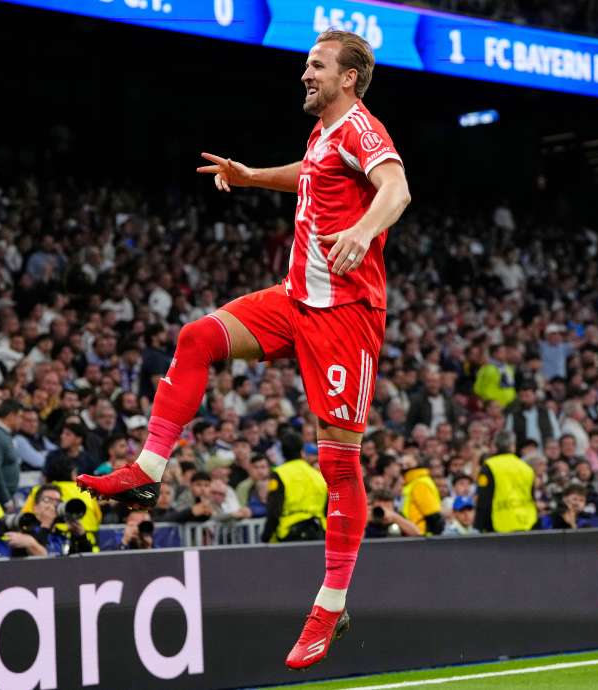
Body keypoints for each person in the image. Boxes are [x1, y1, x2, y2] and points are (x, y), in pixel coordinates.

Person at [78, 29, 410, 669]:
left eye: (317, 66)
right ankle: (148, 473)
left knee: (338, 467)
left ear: (348, 79)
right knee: (198, 335)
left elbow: (395, 191)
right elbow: (313, 180)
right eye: (307, 63)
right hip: (295, 300)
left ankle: (331, 604)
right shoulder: (323, 135)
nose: (305, 74)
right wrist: (252, 175)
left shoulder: (365, 130)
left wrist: (365, 232)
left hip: (344, 316)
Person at [261, 433, 328, 543]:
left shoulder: (280, 474)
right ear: (302, 451)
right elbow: (327, 509)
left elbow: (274, 509)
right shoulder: (318, 476)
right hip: (318, 533)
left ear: (282, 452)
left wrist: (266, 536)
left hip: (290, 535)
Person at [475, 431, 537, 533]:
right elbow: (532, 496)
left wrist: (479, 524)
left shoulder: (489, 466)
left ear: (495, 446)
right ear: (513, 446)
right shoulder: (526, 468)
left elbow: (483, 497)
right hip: (527, 522)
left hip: (499, 524)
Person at [27, 483, 94, 555]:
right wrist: (45, 525)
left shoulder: (62, 537)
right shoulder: (26, 535)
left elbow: (85, 563)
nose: (53, 505)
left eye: (57, 501)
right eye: (47, 500)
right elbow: (35, 559)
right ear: (35, 507)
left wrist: (81, 537)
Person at [399, 454, 445, 535]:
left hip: (421, 535)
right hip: (412, 533)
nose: (403, 467)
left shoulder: (420, 483)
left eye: (407, 464)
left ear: (417, 463)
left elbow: (433, 515)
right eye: (402, 465)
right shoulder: (412, 483)